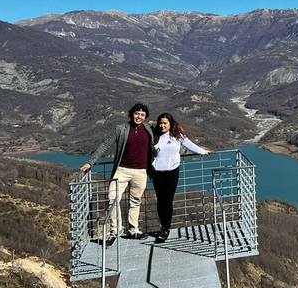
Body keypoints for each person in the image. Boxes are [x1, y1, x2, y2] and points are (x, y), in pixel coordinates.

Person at [81, 103, 154, 246]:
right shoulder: (121, 129)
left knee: (136, 201)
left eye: (142, 115)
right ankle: (116, 230)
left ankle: (133, 230)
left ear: (145, 117)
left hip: (141, 171)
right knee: (112, 198)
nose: (139, 117)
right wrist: (90, 162)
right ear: (132, 114)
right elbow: (104, 145)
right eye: (137, 113)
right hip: (122, 170)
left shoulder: (149, 129)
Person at [151, 112, 209, 243]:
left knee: (168, 199)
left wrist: (202, 151)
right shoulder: (154, 135)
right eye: (160, 123)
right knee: (160, 200)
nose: (162, 125)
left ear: (170, 124)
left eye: (165, 123)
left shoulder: (177, 135)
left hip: (172, 171)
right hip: (157, 171)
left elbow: (189, 145)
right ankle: (163, 226)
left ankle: (166, 228)